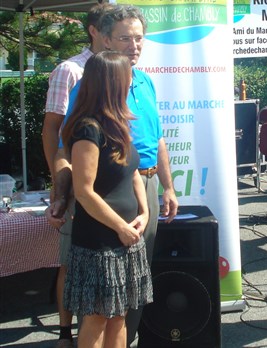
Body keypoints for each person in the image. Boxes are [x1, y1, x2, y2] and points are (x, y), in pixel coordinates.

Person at [48, 5, 178, 346]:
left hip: (142, 189)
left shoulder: (145, 81)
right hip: (103, 209)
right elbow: (67, 150)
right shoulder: (89, 91)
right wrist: (61, 193)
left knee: (127, 297)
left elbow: (157, 140)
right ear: (104, 40)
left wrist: (167, 187)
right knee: (100, 307)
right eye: (125, 38)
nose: (135, 45)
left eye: (139, 38)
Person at [61, 50, 153, 348]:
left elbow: (133, 172)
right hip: (100, 242)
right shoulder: (89, 129)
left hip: (127, 237)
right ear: (112, 83)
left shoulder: (119, 123)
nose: (131, 83)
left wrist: (145, 211)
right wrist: (121, 228)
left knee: (119, 315)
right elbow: (85, 191)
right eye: (127, 78)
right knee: (98, 317)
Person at [41, 5, 111, 347]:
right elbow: (52, 132)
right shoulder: (69, 71)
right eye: (111, 28)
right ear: (94, 30)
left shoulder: (123, 69)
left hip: (112, 184)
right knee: (70, 260)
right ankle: (66, 332)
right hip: (77, 180)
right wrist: (60, 189)